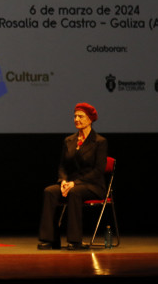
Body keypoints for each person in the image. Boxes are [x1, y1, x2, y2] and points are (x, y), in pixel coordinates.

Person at [37, 103, 107, 251]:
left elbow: (98, 170)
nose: (76, 119)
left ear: (90, 119)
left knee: (74, 193)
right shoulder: (69, 140)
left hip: (92, 185)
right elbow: (62, 165)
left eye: (80, 116)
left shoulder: (100, 142)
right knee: (49, 191)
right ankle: (49, 239)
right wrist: (63, 181)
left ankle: (75, 241)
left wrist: (75, 183)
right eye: (75, 116)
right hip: (70, 183)